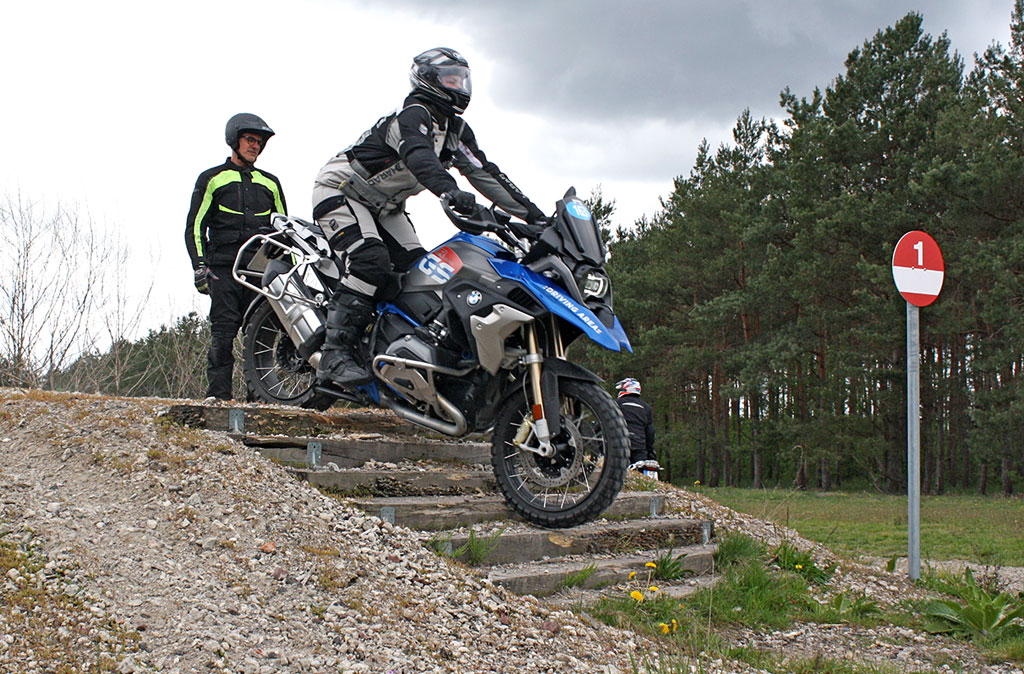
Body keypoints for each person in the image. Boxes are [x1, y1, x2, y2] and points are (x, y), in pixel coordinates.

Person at [311, 47, 548, 387]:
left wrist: (539, 219)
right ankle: (334, 355)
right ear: (428, 79)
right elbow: (420, 155)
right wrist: (448, 190)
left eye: (462, 78)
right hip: (342, 189)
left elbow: (485, 173)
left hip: (386, 205)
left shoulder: (456, 130)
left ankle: (387, 349)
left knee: (420, 274)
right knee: (370, 262)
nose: (459, 85)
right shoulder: (413, 115)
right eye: (451, 78)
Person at [185, 113, 287, 402]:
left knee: (263, 336)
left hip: (258, 271)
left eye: (259, 143)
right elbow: (195, 226)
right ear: (235, 141)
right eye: (249, 140)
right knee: (223, 333)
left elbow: (283, 230)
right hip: (223, 267)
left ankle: (260, 399)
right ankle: (218, 397)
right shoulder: (212, 178)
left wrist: (283, 269)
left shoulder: (271, 183)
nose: (255, 146)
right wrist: (199, 266)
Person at [615, 378, 660, 476]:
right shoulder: (646, 407)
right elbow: (650, 431)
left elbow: (604, 424)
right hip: (640, 446)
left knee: (616, 474)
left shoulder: (616, 404)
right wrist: (650, 452)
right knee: (641, 476)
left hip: (619, 444)